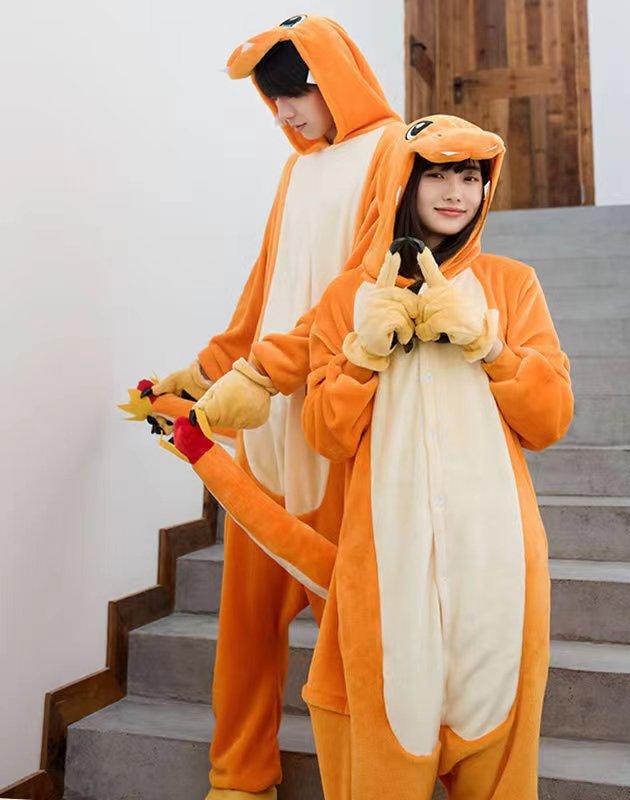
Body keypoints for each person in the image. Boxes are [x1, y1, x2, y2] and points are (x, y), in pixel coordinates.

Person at [144, 14, 404, 800]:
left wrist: (267, 372)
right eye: (273, 100)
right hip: (263, 433)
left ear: (332, 81)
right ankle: (238, 776)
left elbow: (363, 287)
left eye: (294, 94)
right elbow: (265, 285)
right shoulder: (297, 171)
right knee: (246, 624)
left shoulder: (392, 151)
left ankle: (372, 780)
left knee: (347, 626)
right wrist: (204, 372)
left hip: (332, 421)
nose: (284, 113)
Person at [298, 114, 575, 799]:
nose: (456, 193)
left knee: (500, 763)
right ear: (405, 182)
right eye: (439, 175)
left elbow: (550, 420)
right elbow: (325, 436)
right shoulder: (346, 297)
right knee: (387, 754)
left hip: (496, 559)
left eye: (471, 177)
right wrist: (362, 356)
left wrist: (490, 346)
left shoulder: (512, 285)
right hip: (387, 565)